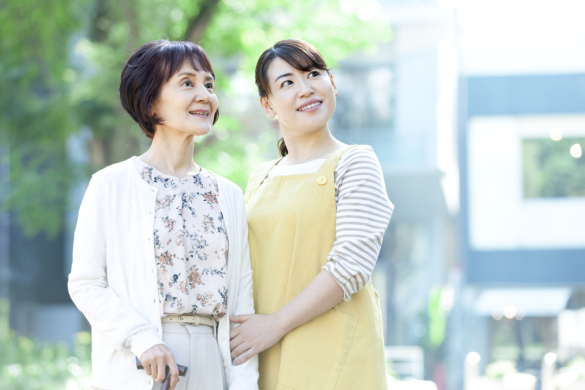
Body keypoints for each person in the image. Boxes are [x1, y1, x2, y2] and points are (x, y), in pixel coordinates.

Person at [68, 40, 258, 390]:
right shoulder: (111, 185)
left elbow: (242, 305)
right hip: (140, 361)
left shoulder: (229, 194)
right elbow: (86, 283)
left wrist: (245, 384)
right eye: (187, 83)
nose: (204, 94)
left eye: (209, 84)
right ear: (151, 98)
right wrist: (142, 339)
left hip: (213, 360)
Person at [229, 39, 394, 389]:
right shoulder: (260, 176)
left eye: (314, 74)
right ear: (267, 105)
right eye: (287, 82)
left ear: (332, 83)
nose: (305, 89)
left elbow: (351, 265)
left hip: (333, 355)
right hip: (265, 355)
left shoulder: (355, 162)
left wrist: (274, 324)